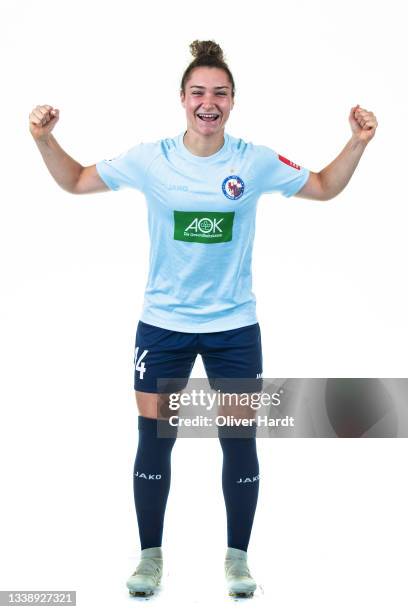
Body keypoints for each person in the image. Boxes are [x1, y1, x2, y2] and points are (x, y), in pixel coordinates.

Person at [29, 39, 378, 598]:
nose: (207, 102)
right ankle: (149, 559)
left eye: (219, 92)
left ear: (233, 101)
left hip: (234, 328)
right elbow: (74, 179)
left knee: (239, 441)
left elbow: (323, 186)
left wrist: (356, 142)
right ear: (182, 100)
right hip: (162, 325)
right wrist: (45, 139)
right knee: (154, 437)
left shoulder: (255, 161)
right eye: (198, 92)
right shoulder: (151, 159)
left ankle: (238, 561)